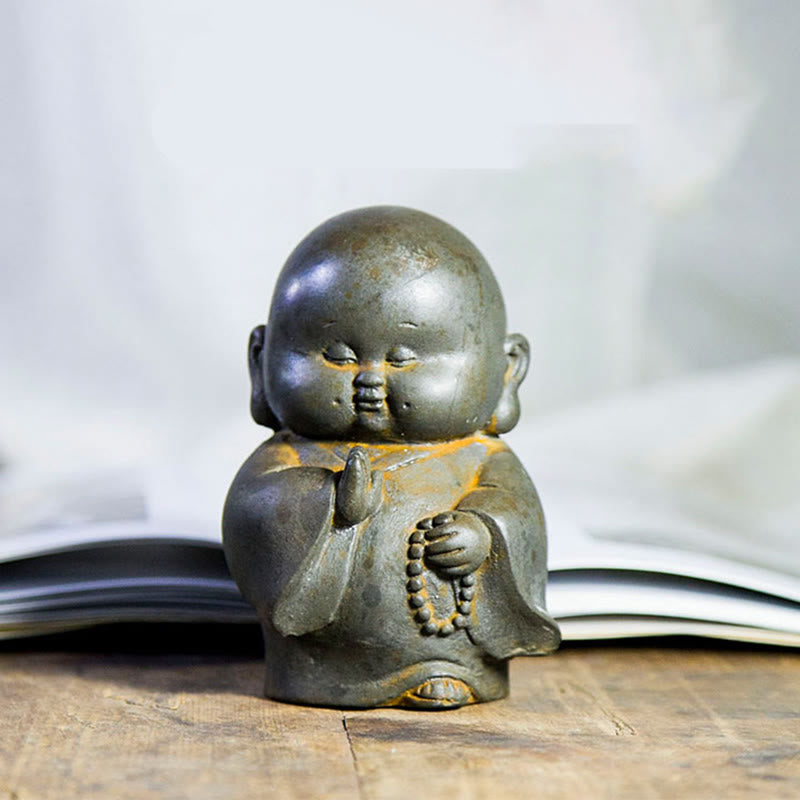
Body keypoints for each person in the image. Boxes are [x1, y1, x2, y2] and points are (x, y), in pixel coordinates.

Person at [223, 206, 559, 709]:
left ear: (506, 371)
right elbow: (251, 513)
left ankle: (443, 667)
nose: (370, 380)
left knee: (453, 651)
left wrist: (483, 535)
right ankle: (323, 672)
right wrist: (328, 502)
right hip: (312, 662)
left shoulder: (481, 457)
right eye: (337, 357)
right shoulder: (289, 454)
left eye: (404, 358)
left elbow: (516, 511)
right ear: (261, 360)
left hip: (450, 649)